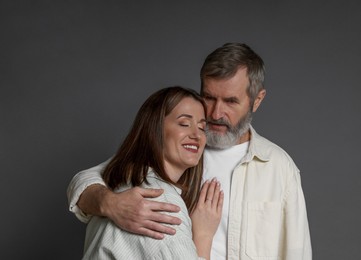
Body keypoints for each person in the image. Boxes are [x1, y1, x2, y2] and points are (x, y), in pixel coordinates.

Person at [68, 43, 312, 259]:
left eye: (230, 101)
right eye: (209, 97)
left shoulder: (279, 166)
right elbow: (87, 181)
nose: (216, 113)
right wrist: (110, 203)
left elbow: (297, 253)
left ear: (257, 100)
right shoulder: (178, 151)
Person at [81, 86, 223, 260]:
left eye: (202, 128)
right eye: (184, 124)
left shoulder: (119, 182)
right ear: (154, 129)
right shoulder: (161, 204)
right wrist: (203, 236)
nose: (197, 135)